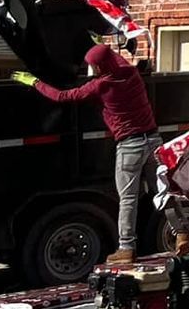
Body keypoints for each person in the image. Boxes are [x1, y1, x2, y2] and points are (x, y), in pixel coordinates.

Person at [13, 41, 165, 266]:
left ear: (101, 68)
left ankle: (126, 248)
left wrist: (35, 82)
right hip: (154, 140)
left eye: (94, 66)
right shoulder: (130, 72)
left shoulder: (101, 86)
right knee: (162, 189)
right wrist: (99, 44)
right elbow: (117, 59)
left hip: (130, 146)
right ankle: (181, 230)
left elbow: (63, 97)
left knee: (128, 198)